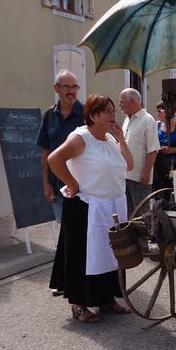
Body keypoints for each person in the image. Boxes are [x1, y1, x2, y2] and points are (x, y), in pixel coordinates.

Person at [48, 95, 134, 323]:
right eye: (108, 112)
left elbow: (130, 165)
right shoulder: (81, 137)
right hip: (86, 207)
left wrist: (121, 139)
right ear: (93, 115)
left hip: (111, 206)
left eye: (114, 111)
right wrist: (73, 184)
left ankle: (107, 299)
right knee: (83, 256)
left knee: (109, 254)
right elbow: (54, 159)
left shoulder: (108, 139)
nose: (113, 116)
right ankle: (78, 304)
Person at [36, 70, 84, 222]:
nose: (71, 91)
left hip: (83, 186)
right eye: (66, 87)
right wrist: (46, 183)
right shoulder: (49, 115)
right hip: (58, 186)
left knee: (82, 233)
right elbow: (46, 152)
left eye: (74, 87)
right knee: (63, 231)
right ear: (56, 88)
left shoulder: (87, 114)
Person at [119, 88, 160, 216]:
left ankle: (144, 237)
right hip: (125, 176)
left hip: (139, 177)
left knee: (142, 215)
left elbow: (153, 150)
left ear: (132, 102)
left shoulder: (148, 120)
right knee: (129, 214)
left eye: (122, 102)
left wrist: (146, 172)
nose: (120, 105)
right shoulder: (127, 120)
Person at [153, 101, 176, 191]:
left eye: (160, 111)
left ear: (169, 111)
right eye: (157, 111)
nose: (158, 114)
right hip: (161, 164)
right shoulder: (157, 125)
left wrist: (171, 150)